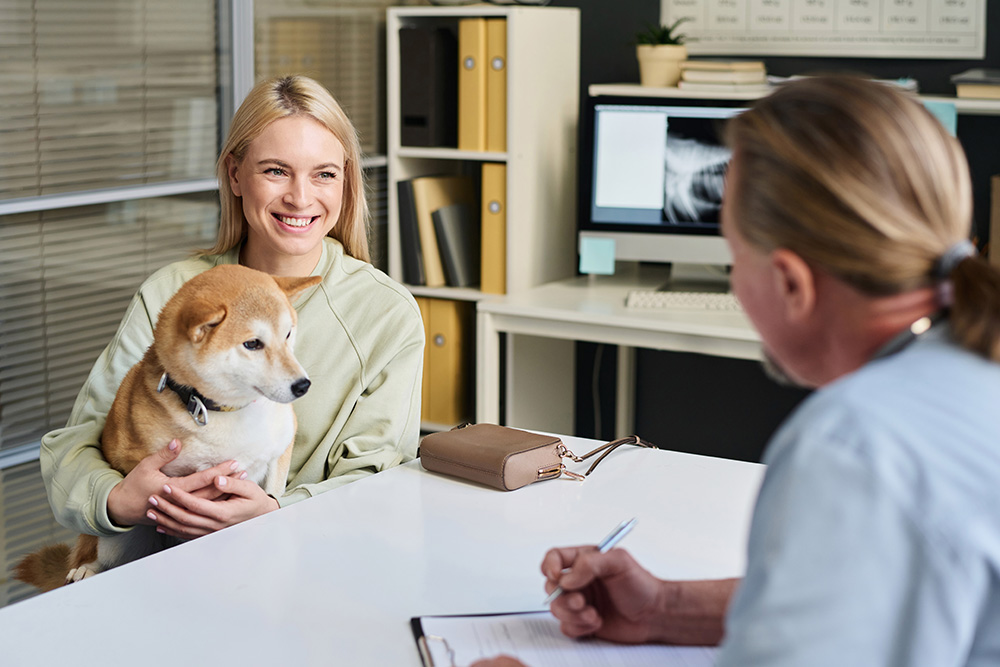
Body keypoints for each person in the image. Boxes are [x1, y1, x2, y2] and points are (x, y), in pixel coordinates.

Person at [474, 75, 1000, 666]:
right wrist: (666, 608)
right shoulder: (970, 365)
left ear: (791, 283)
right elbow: (877, 595)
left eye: (732, 257)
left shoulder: (856, 445)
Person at [41, 75, 423, 541]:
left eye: (324, 173)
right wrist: (116, 500)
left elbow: (382, 480)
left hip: (305, 562)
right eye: (276, 170)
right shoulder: (173, 295)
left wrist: (275, 511)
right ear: (234, 174)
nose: (300, 197)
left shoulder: (386, 313)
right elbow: (71, 451)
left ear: (346, 181)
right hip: (154, 566)